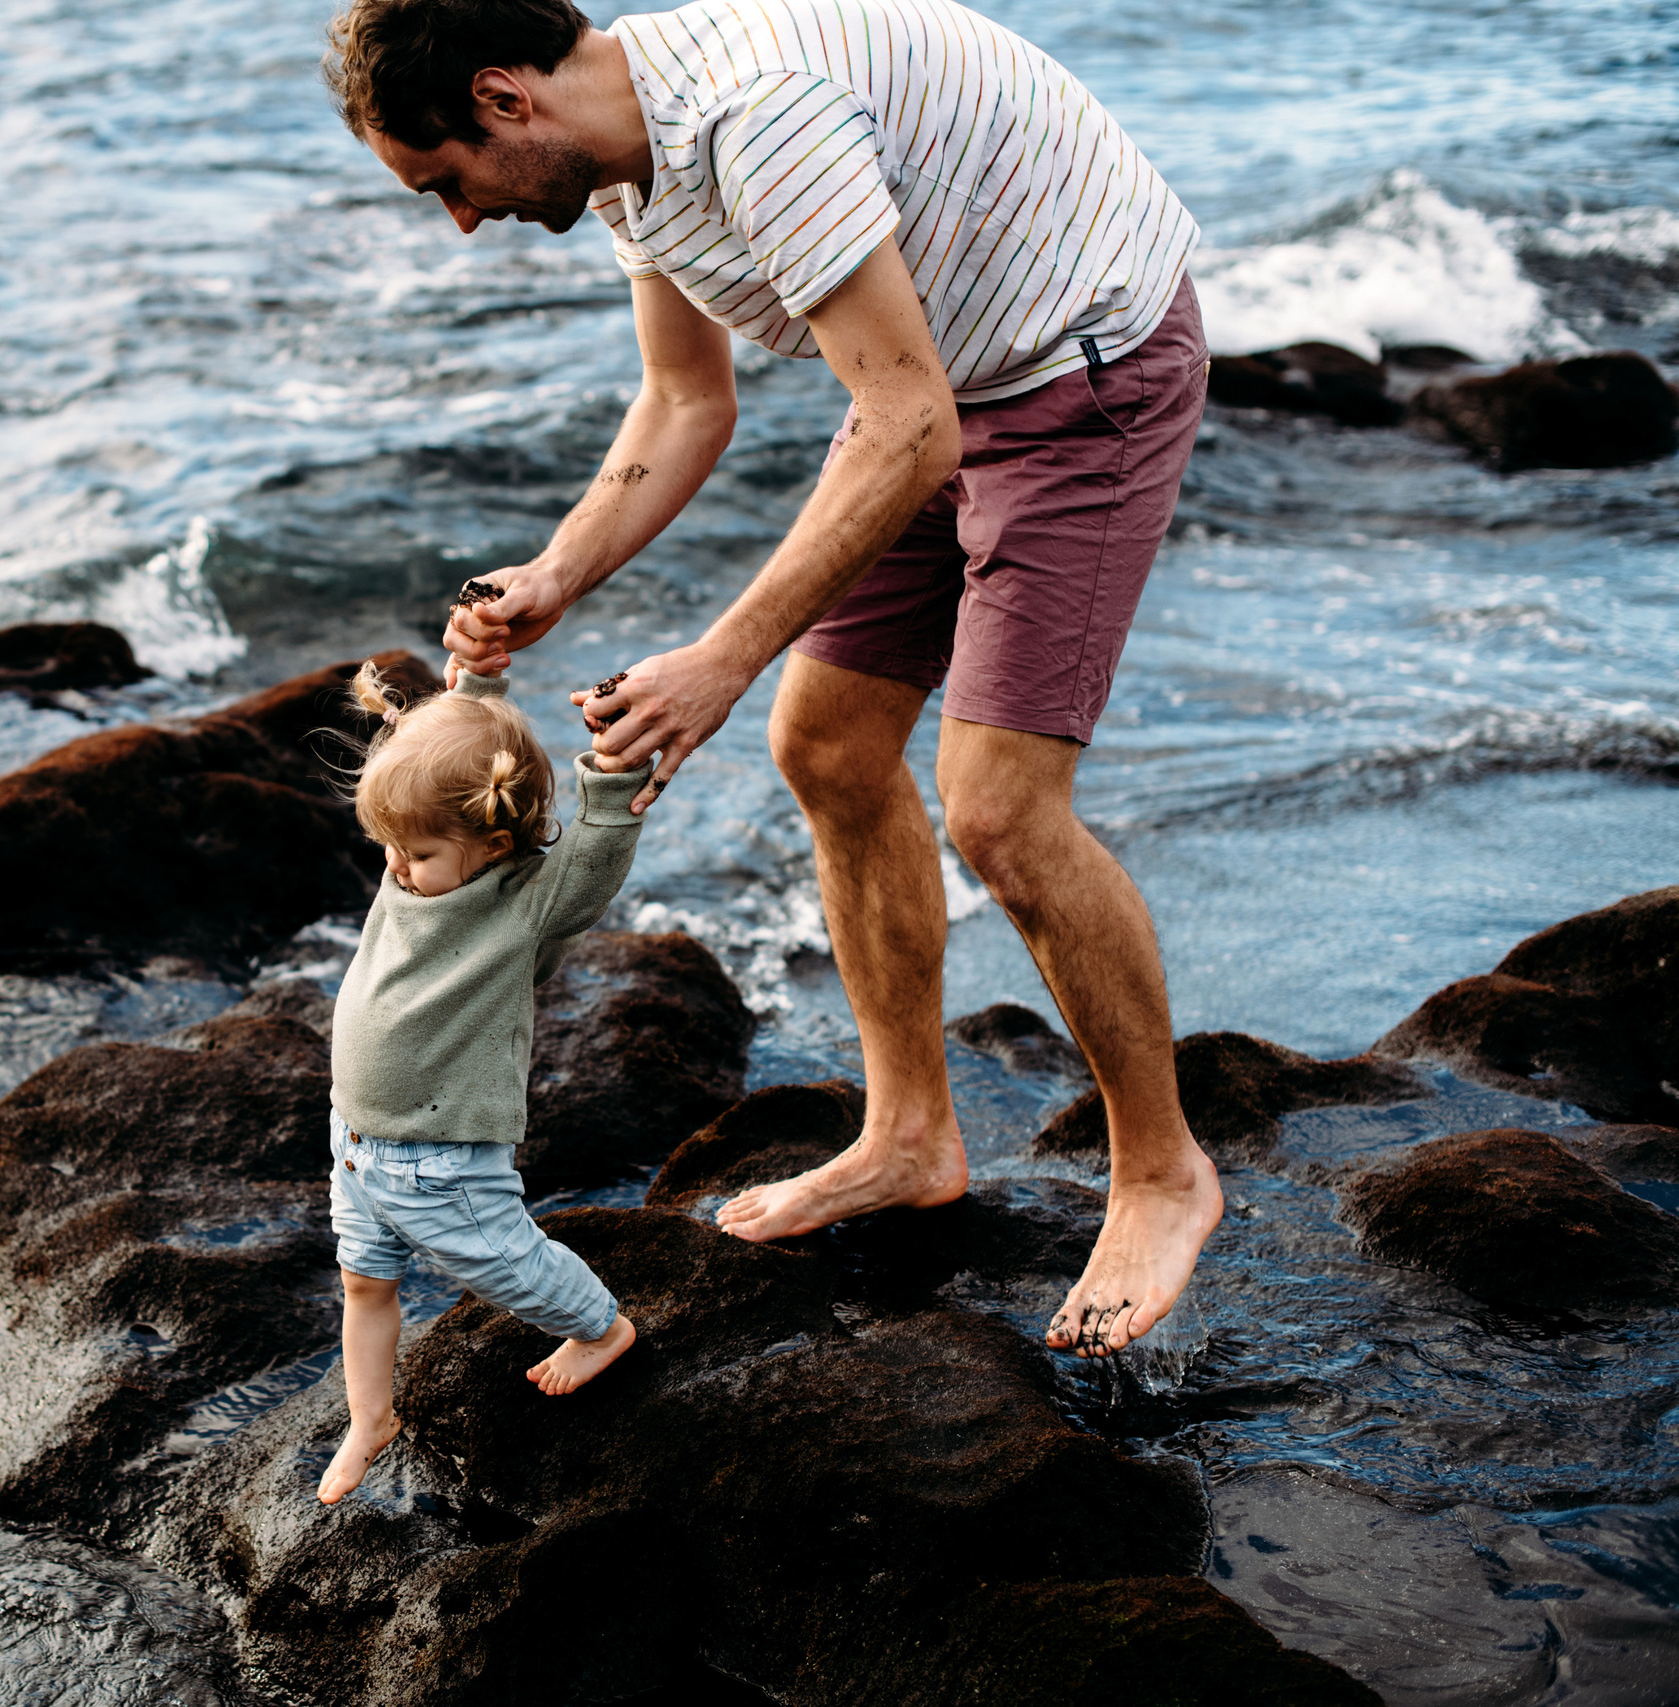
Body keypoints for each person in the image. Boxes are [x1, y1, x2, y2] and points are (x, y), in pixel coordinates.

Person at [325, 0, 1222, 1357]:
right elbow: (687, 400)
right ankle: (912, 1133)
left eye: (445, 181)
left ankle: (1162, 1170)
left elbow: (912, 421)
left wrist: (721, 657)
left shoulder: (754, 121)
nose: (459, 221)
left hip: (1075, 366)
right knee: (829, 747)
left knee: (997, 806)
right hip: (929, 386)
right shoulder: (623, 162)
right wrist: (560, 572)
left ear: (504, 100)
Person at [320, 660, 649, 1504]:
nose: (396, 865)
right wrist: (471, 684)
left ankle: (599, 1328)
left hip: (440, 1157)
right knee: (364, 1280)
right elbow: (455, 745)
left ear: (494, 845)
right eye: (390, 844)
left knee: (507, 1263)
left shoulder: (521, 904)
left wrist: (611, 776)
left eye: (419, 850)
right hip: (354, 1142)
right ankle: (370, 1419)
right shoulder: (417, 868)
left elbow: (594, 859)